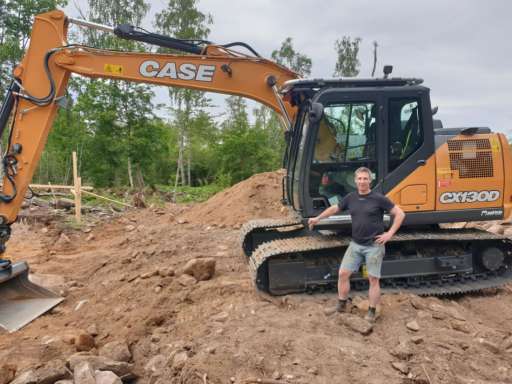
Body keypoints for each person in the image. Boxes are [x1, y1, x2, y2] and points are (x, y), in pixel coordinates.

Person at [308, 167, 405, 323]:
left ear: (370, 180)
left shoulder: (379, 198)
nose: (362, 181)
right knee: (342, 274)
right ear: (355, 181)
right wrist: (318, 218)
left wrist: (390, 233)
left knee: (373, 279)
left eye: (365, 179)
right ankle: (341, 305)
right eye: (359, 179)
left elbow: (400, 214)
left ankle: (371, 312)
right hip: (356, 244)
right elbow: (335, 208)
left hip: (374, 246)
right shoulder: (350, 197)